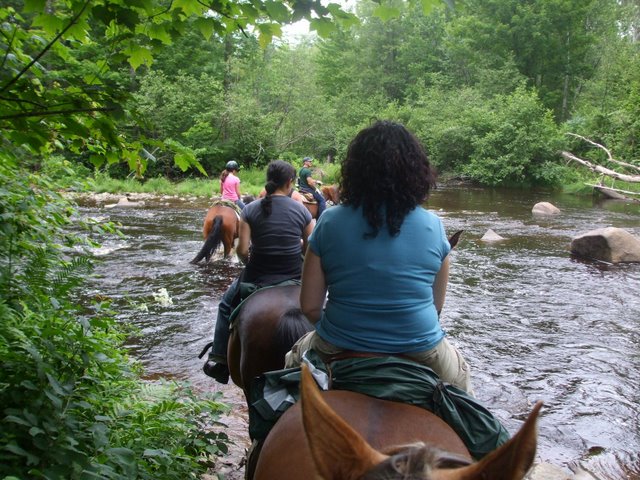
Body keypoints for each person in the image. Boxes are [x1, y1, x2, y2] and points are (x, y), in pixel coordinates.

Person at [285, 120, 473, 394]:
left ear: (356, 171)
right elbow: (436, 308)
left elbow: (311, 307)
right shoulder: (433, 226)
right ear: (415, 172)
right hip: (420, 348)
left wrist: (345, 331)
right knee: (466, 396)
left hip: (339, 343)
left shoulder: (330, 221)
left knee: (288, 371)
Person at [203, 160, 314, 383]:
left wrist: (251, 261)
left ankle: (220, 360)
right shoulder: (302, 209)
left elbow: (242, 250)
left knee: (226, 305)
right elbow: (310, 245)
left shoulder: (252, 209)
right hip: (294, 273)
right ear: (290, 182)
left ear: (268, 180)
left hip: (258, 274)